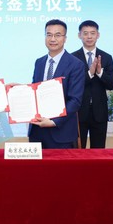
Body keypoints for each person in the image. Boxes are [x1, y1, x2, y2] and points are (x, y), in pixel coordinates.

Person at [29, 19, 86, 149]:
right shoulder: (39, 62)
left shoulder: (76, 64)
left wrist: (53, 121)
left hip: (61, 133)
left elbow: (75, 100)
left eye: (57, 35)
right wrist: (20, 90)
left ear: (65, 38)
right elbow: (35, 91)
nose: (53, 39)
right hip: (37, 131)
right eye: (49, 35)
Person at [71, 20, 113, 148]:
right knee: (77, 150)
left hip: (99, 112)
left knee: (99, 151)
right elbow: (72, 84)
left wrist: (100, 73)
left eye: (92, 33)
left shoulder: (107, 57)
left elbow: (112, 84)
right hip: (78, 112)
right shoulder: (72, 58)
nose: (89, 37)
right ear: (79, 35)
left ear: (98, 35)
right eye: (85, 33)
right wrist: (90, 73)